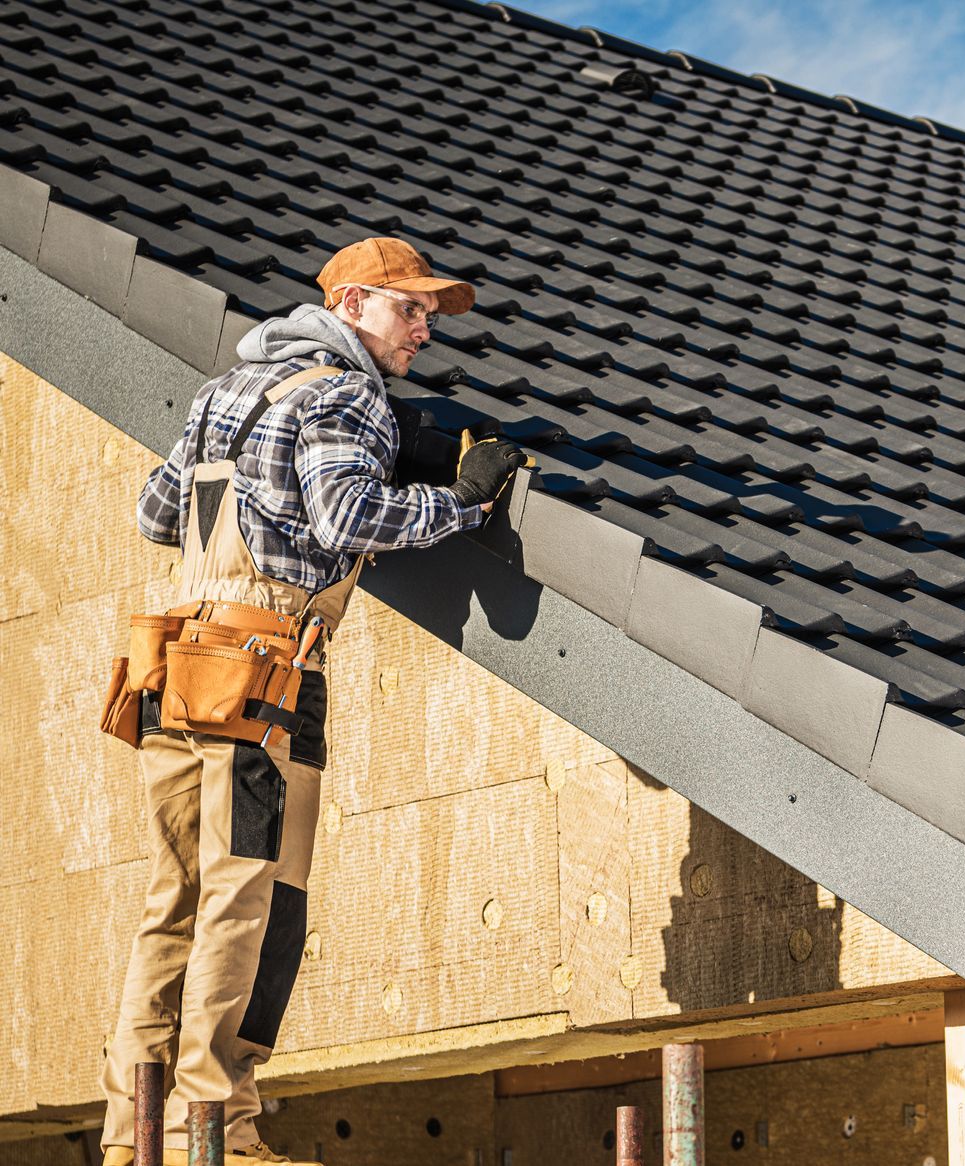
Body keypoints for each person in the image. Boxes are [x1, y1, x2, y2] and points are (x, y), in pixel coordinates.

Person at [98, 238, 527, 1165]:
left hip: (181, 666)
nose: (424, 330)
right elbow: (347, 516)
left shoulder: (223, 394)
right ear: (354, 301)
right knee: (255, 896)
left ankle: (134, 1141)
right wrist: (460, 501)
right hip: (268, 672)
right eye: (411, 310)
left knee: (174, 898)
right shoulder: (343, 393)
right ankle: (217, 1132)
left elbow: (155, 515)